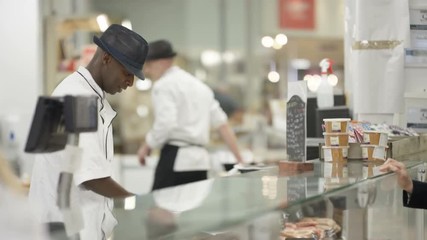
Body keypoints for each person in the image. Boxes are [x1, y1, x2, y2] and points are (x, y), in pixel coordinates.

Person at [29, 24, 149, 240]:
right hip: (65, 229)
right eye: (127, 72)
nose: (130, 82)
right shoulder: (77, 97)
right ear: (106, 58)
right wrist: (140, 204)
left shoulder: (78, 91)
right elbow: (92, 178)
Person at [137, 39, 244, 191]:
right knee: (190, 213)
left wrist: (147, 145)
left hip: (175, 158)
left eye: (148, 65)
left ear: (162, 62)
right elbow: (223, 125)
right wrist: (240, 159)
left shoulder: (163, 86)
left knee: (160, 210)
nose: (146, 71)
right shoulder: (201, 87)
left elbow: (166, 123)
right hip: (200, 163)